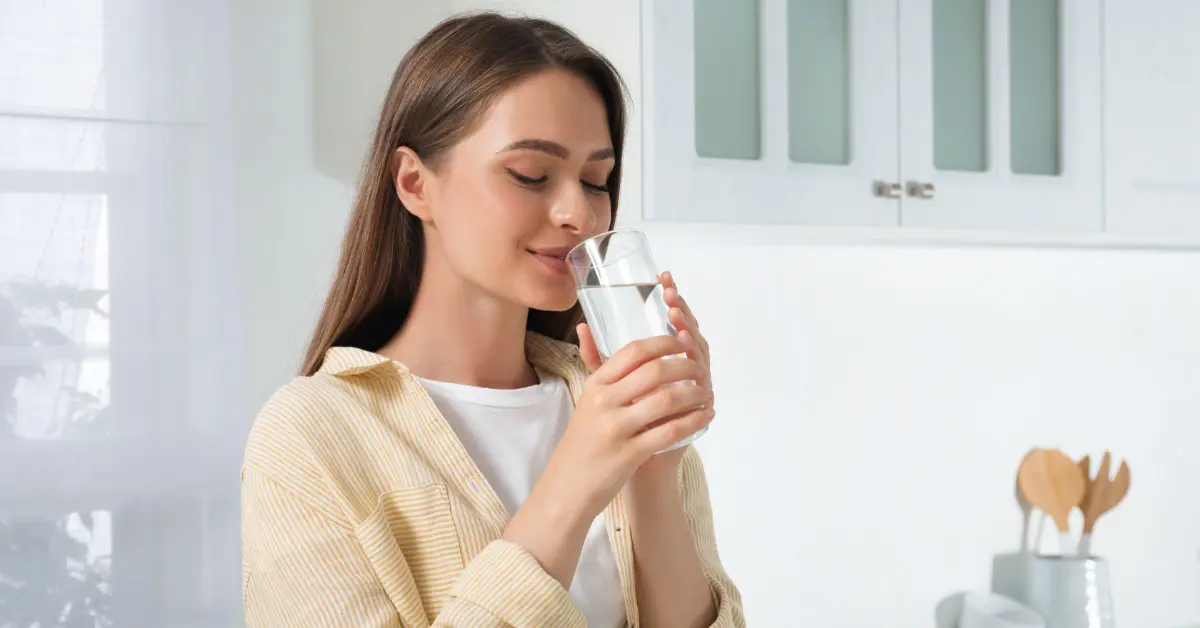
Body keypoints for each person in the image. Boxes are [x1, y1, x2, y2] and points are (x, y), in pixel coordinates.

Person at [241, 11, 743, 627]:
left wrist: (654, 470)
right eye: (530, 174)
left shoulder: (611, 402)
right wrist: (580, 472)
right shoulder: (313, 435)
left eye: (596, 180)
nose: (578, 214)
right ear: (414, 183)